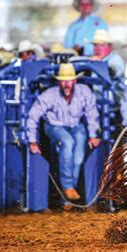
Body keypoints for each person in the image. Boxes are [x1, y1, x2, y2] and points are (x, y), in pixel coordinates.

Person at [27, 63, 101, 201]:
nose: (66, 84)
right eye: (63, 80)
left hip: (76, 125)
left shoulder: (84, 92)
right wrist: (32, 140)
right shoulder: (49, 95)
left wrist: (93, 135)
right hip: (54, 126)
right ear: (59, 82)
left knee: (78, 156)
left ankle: (67, 194)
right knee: (68, 142)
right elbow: (33, 115)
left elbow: (92, 113)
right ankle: (67, 186)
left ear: (75, 81)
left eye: (69, 80)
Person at [90, 29, 126, 117]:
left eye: (102, 45)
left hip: (115, 104)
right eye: (95, 45)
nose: (98, 48)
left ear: (110, 47)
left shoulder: (116, 59)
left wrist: (99, 64)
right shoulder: (93, 60)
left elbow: (115, 72)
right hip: (98, 104)